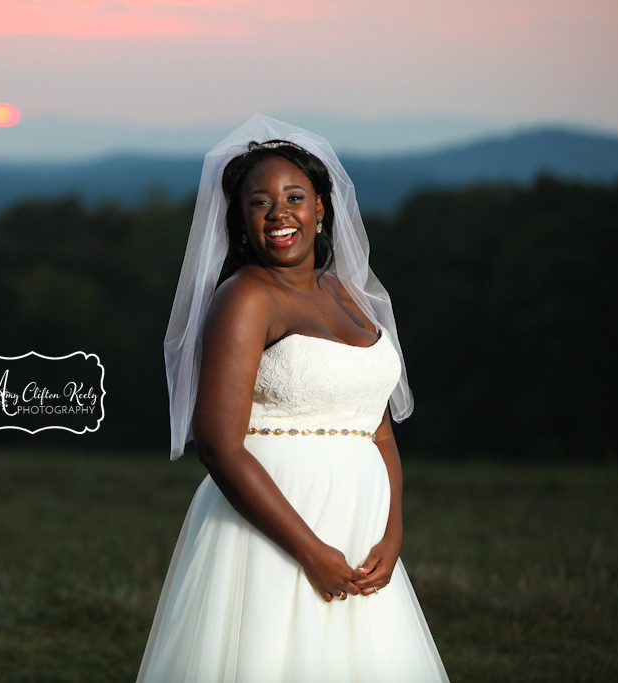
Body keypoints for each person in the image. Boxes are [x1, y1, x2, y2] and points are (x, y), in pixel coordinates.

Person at [136, 115, 449, 682]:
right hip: (275, 531)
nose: (279, 213)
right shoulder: (246, 299)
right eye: (259, 202)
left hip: (359, 532)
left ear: (322, 208)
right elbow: (219, 446)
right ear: (239, 220)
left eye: (294, 197)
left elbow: (377, 429)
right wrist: (309, 551)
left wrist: (393, 528)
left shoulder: (350, 296)